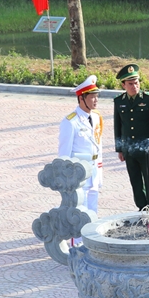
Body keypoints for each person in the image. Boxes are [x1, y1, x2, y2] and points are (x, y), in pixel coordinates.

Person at [113, 64, 149, 210]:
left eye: (136, 82)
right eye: (130, 83)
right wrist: (120, 149)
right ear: (123, 85)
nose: (134, 86)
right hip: (129, 150)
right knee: (135, 182)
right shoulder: (119, 101)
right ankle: (142, 209)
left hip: (147, 150)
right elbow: (118, 127)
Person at [58, 75, 103, 218]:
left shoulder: (96, 117)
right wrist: (66, 177)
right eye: (92, 97)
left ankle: (90, 235)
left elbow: (98, 144)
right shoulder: (71, 122)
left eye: (97, 96)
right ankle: (77, 239)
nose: (96, 100)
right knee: (80, 206)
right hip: (79, 171)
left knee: (93, 203)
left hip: (94, 168)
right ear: (81, 98)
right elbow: (64, 153)